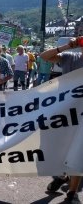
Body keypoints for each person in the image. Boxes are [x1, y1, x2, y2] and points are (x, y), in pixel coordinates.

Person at [40, 36, 83, 203]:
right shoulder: (70, 57)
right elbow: (44, 56)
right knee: (60, 148)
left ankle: (72, 192)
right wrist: (66, 46)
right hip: (66, 112)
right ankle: (61, 177)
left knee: (79, 151)